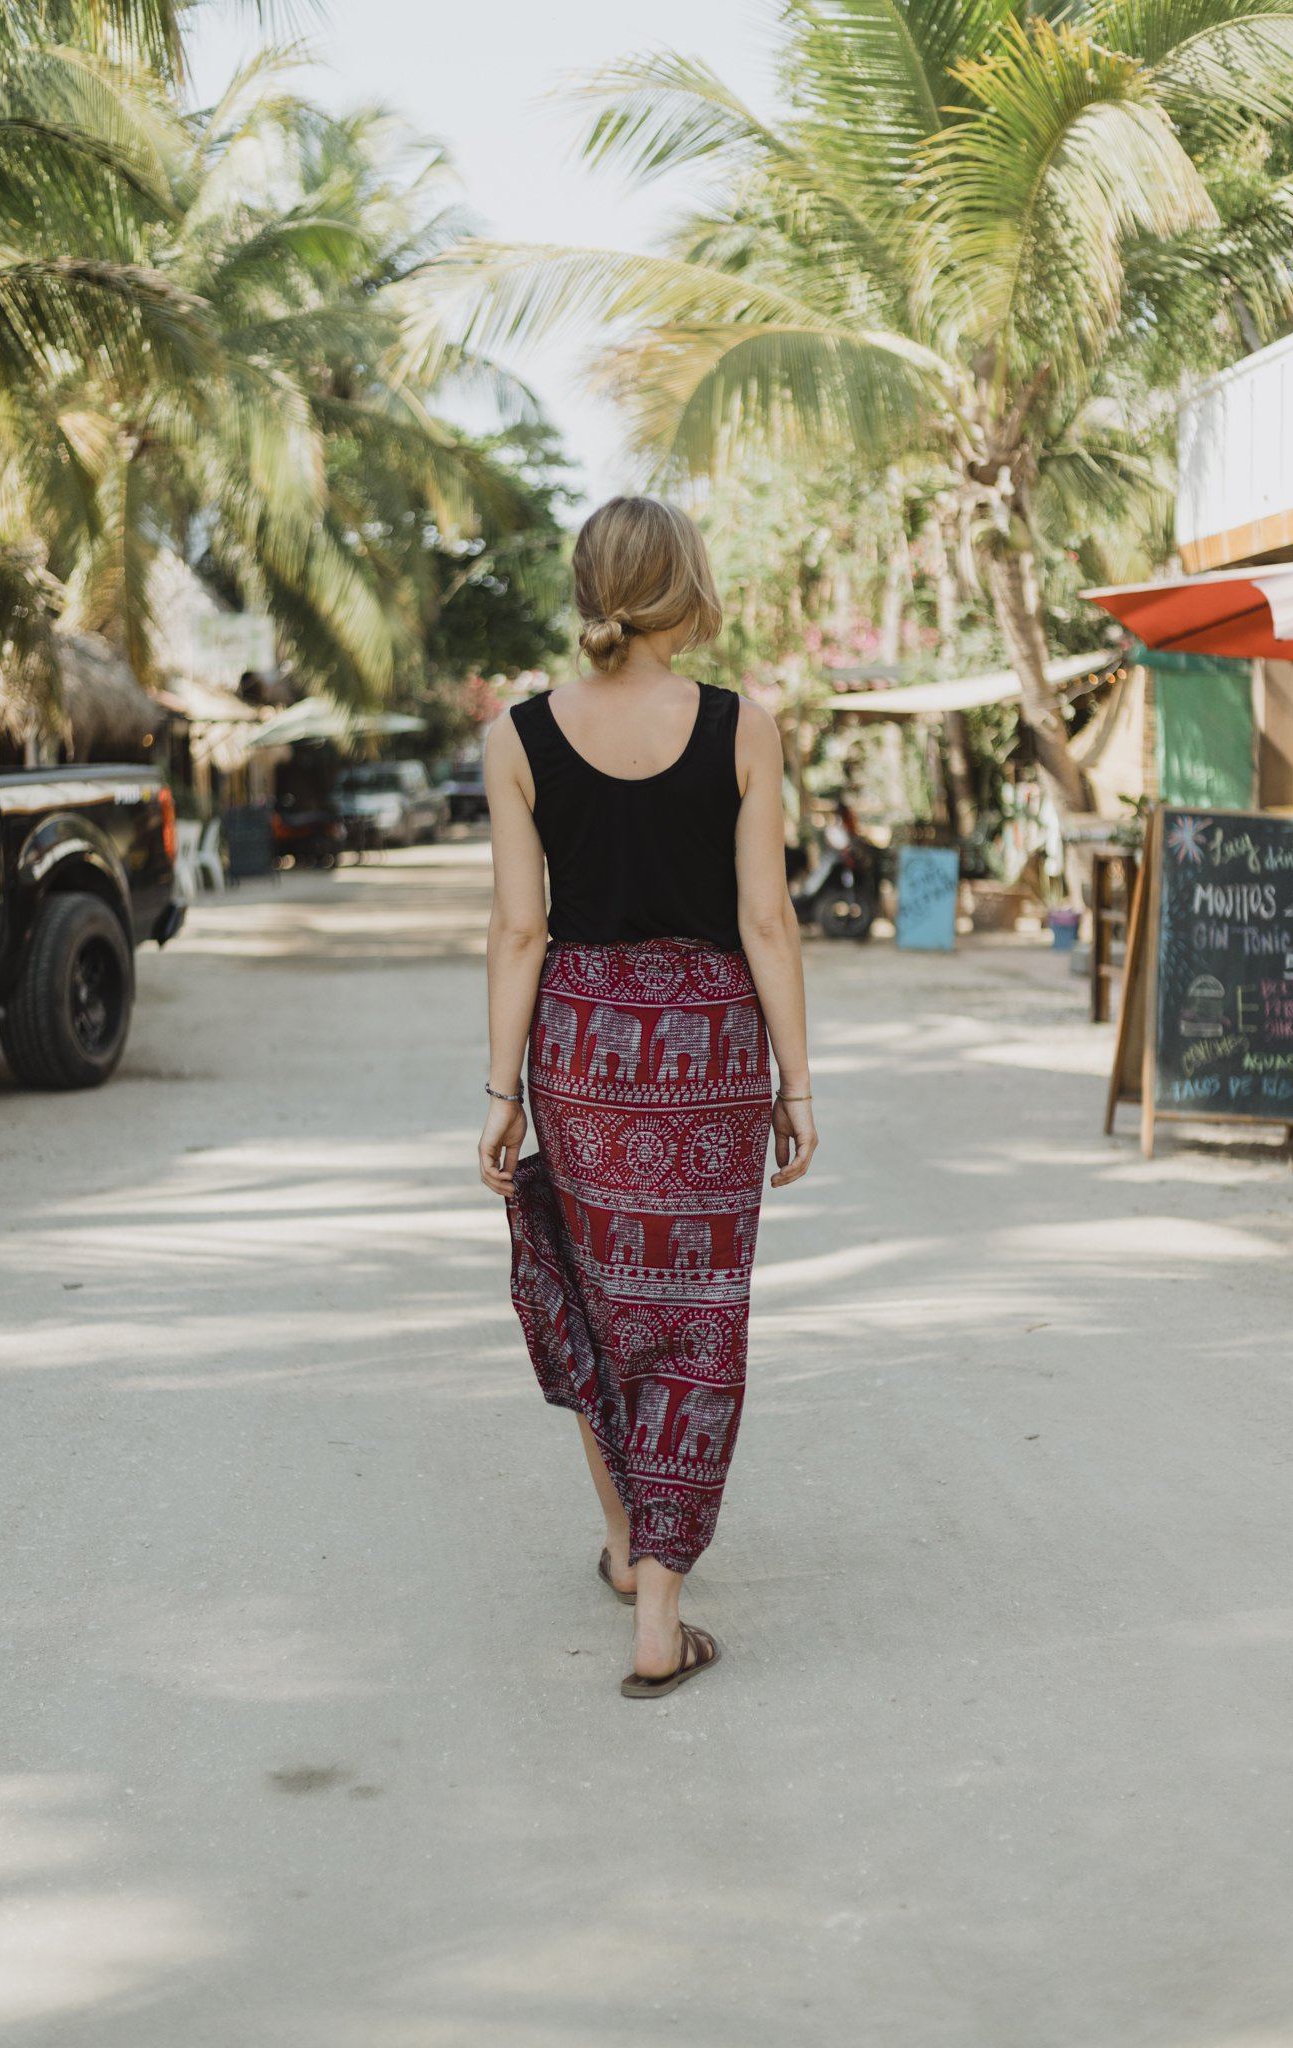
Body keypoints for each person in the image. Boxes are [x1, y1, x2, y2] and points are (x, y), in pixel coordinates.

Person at [479, 495, 817, 1700]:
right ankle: (657, 1602)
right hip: (712, 1052)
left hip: (582, 1052)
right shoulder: (740, 725)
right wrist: (797, 1076)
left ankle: (631, 1544)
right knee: (693, 1313)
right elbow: (765, 917)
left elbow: (522, 926)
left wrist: (499, 1087)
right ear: (683, 583)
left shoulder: (520, 735)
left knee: (592, 1283)